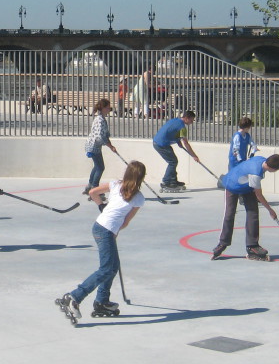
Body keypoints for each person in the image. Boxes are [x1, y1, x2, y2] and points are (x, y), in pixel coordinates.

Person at [56, 160, 146, 324]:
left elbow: (92, 192)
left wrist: (101, 207)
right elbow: (125, 222)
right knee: (106, 269)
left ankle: (102, 302)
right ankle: (74, 297)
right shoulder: (138, 198)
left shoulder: (115, 185)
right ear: (141, 178)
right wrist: (114, 231)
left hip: (100, 226)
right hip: (106, 231)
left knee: (112, 267)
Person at [212, 154, 279, 262]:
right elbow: (259, 196)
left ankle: (252, 246)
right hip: (232, 185)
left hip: (246, 186)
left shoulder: (261, 159)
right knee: (230, 213)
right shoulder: (255, 174)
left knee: (253, 213)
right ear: (273, 169)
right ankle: (222, 243)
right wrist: (270, 210)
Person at [152, 110, 199, 191]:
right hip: (161, 144)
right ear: (187, 118)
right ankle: (166, 182)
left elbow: (171, 131)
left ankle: (173, 181)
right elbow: (186, 144)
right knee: (173, 162)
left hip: (160, 142)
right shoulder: (182, 128)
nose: (192, 122)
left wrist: (178, 141)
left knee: (173, 161)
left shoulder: (175, 120)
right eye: (191, 120)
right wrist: (194, 156)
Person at [83, 98, 116, 195]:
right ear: (102, 108)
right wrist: (110, 146)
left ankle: (89, 186)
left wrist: (111, 146)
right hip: (93, 146)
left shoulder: (102, 119)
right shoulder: (100, 120)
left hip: (95, 146)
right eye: (108, 107)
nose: (109, 109)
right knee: (100, 167)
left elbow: (105, 135)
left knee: (97, 166)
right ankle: (95, 189)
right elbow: (100, 137)